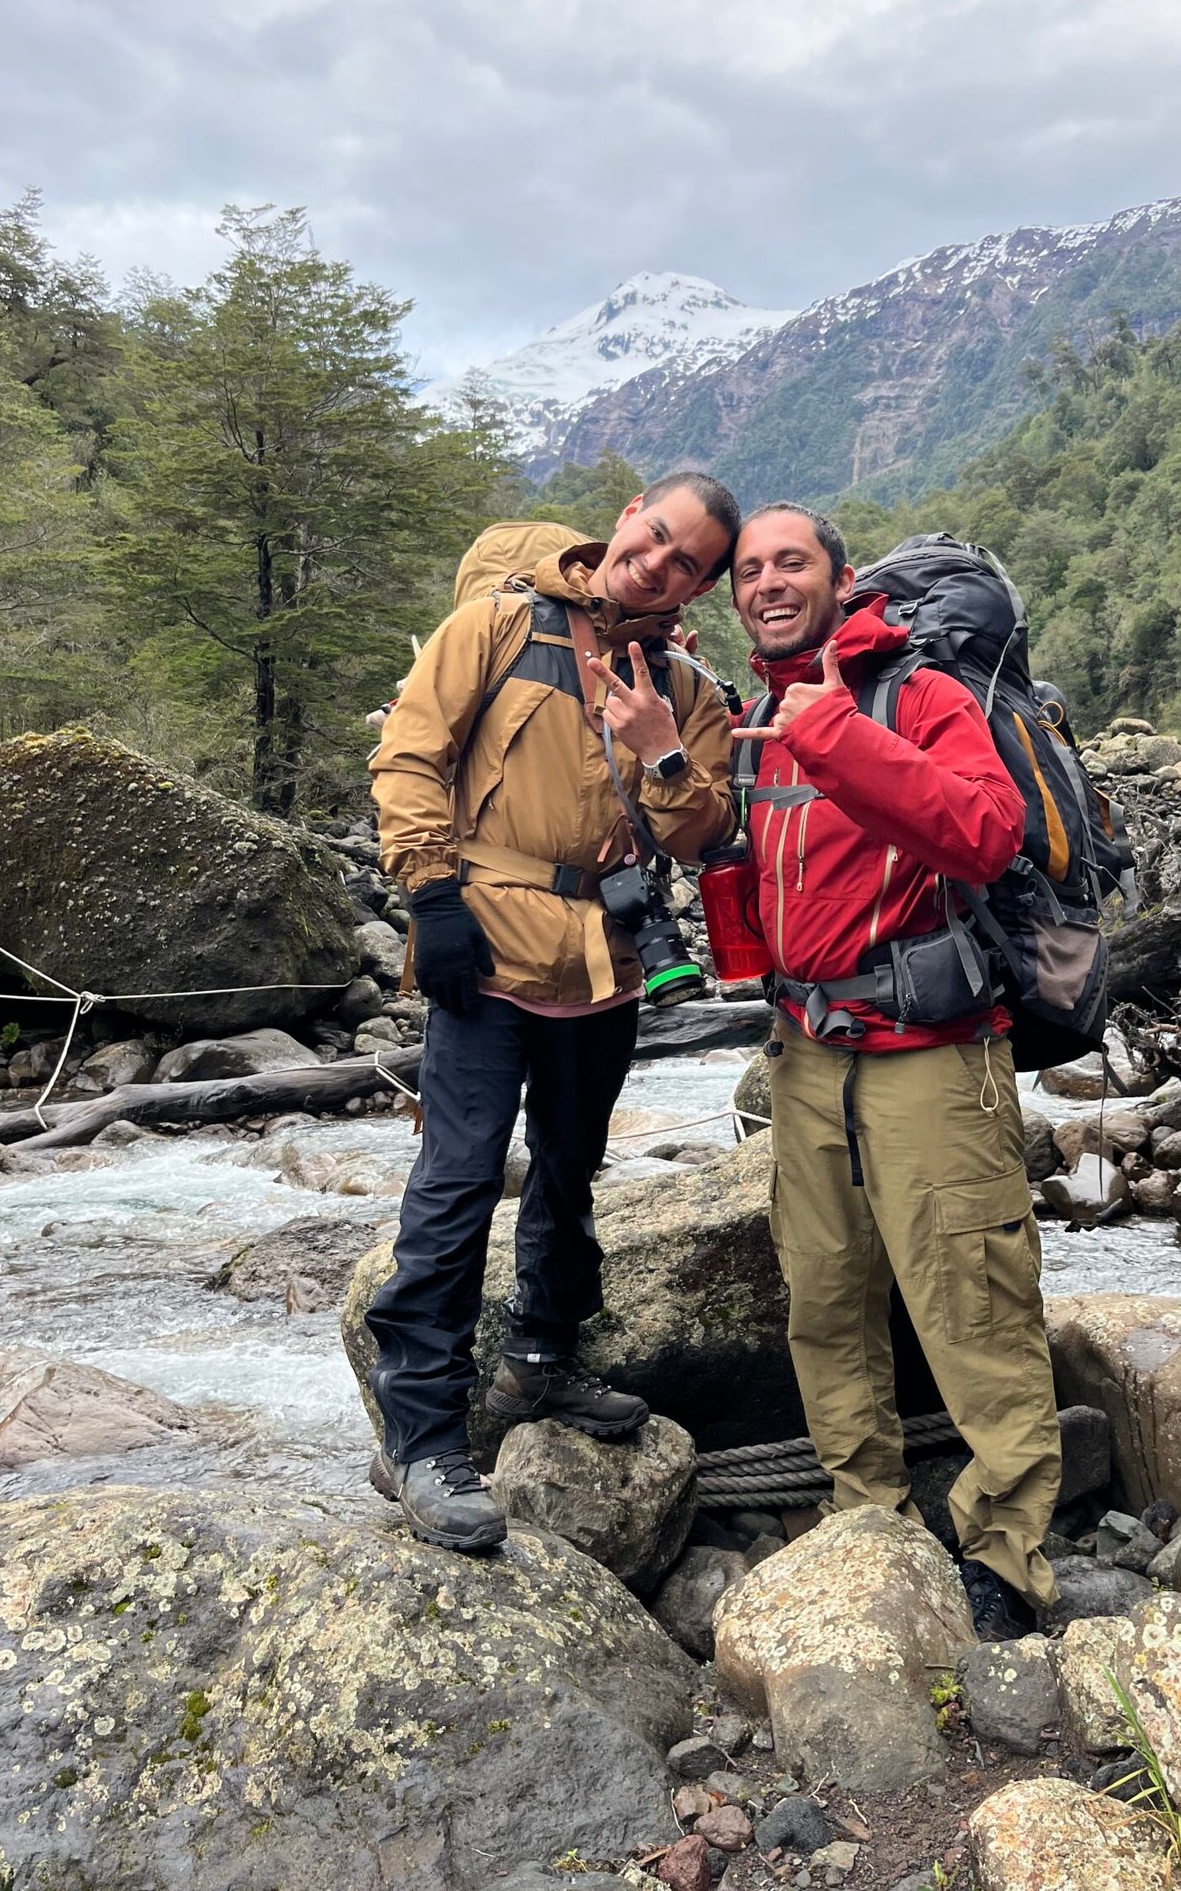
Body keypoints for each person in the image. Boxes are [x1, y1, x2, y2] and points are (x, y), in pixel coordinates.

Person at [366, 473, 741, 1551]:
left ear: (698, 586)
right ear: (626, 516)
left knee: (571, 1173)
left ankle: (540, 1360)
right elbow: (410, 756)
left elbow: (700, 832)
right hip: (479, 950)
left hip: (605, 965)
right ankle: (424, 1433)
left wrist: (661, 744)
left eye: (686, 563)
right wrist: (431, 897)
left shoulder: (682, 683)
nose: (657, 564)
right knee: (457, 1180)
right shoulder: (492, 626)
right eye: (655, 537)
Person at [729, 502, 1060, 1638]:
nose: (768, 583)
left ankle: (1010, 1555)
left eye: (790, 563)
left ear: (838, 577)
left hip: (932, 1053)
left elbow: (983, 831)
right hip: (804, 1052)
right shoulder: (757, 716)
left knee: (970, 1294)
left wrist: (835, 734)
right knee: (823, 1298)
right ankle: (865, 1515)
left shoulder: (912, 693)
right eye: (749, 569)